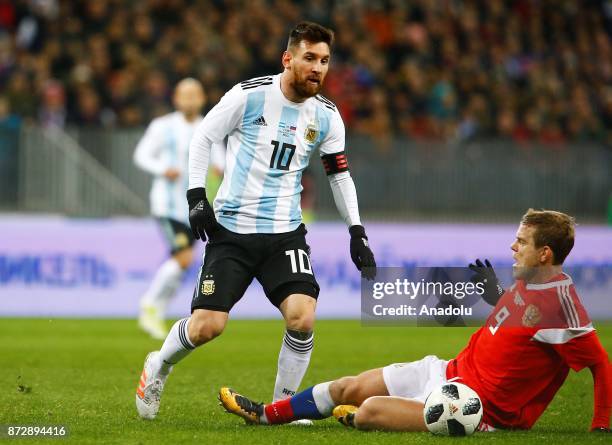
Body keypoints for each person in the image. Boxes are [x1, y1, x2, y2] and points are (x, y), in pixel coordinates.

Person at [135, 21, 377, 419]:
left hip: (285, 234)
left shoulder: (328, 116)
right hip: (231, 231)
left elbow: (339, 173)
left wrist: (357, 231)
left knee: (303, 317)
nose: (318, 68)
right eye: (310, 58)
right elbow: (203, 138)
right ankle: (158, 364)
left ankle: (284, 407)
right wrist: (197, 197)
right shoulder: (248, 96)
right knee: (206, 327)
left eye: (325, 61)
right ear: (288, 58)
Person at [219, 209, 611, 433]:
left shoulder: (564, 308)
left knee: (370, 408)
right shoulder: (528, 285)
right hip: (448, 371)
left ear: (545, 253)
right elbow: (519, 333)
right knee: (347, 386)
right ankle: (266, 414)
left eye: (522, 242)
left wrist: (601, 424)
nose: (513, 246)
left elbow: (600, 364)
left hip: (473, 408)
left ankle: (361, 419)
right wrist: (496, 296)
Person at [133, 78, 224, 339]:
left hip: (195, 208)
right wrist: (163, 169)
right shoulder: (162, 126)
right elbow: (141, 155)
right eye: (186, 94)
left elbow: (220, 159)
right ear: (176, 98)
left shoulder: (210, 127)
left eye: (195, 94)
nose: (190, 99)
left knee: (183, 263)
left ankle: (156, 310)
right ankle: (149, 304)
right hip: (167, 204)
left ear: (203, 98)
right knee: (183, 257)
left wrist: (220, 168)